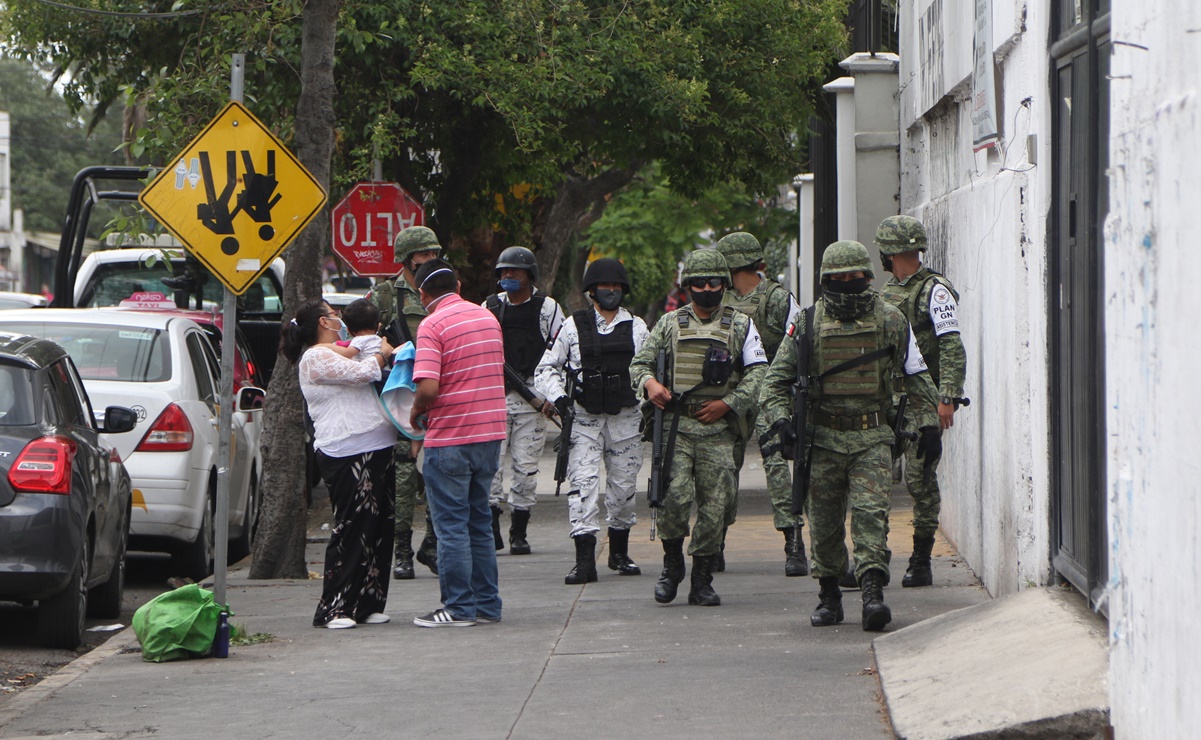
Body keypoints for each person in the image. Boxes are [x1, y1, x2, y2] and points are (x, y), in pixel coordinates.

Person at [758, 241, 941, 632]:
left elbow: (918, 377)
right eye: (838, 279)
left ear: (868, 277)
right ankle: (829, 595)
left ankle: (873, 593)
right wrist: (781, 422)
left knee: (871, 516)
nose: (847, 284)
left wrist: (929, 425)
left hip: (872, 436)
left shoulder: (891, 319)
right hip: (821, 438)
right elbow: (774, 383)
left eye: (855, 278)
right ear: (826, 281)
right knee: (823, 525)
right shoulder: (806, 323)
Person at [629, 248, 768, 607]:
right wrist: (650, 384)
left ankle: (702, 578)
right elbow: (640, 362)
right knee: (673, 499)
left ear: (724, 284)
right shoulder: (669, 323)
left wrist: (729, 404)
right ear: (688, 286)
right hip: (677, 426)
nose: (707, 288)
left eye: (714, 282)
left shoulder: (740, 325)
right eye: (699, 283)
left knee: (716, 505)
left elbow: (758, 373)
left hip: (719, 430)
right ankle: (672, 564)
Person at [281, 300, 397, 629]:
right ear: (324, 321)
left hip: (379, 444)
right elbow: (363, 373)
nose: (341, 319)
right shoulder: (314, 357)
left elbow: (359, 353)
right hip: (345, 450)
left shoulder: (344, 348)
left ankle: (368, 602)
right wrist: (380, 353)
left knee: (379, 527)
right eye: (335, 315)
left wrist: (374, 347)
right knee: (351, 527)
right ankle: (334, 607)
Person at [534, 258, 650, 584]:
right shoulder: (572, 326)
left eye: (616, 287)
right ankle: (584, 561)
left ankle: (619, 553)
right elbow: (545, 369)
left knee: (624, 489)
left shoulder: (639, 328)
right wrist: (559, 399)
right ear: (591, 290)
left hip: (626, 420)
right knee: (583, 486)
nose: (610, 291)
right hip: (583, 419)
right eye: (604, 286)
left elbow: (652, 370)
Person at [409, 258, 508, 627]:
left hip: (451, 436)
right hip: (490, 434)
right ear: (459, 285)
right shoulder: (488, 318)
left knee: (450, 525)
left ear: (423, 293)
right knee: (479, 523)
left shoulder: (432, 325)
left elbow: (429, 386)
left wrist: (416, 409)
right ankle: (487, 605)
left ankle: (458, 608)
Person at [875, 215, 968, 588]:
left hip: (921, 400)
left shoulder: (935, 290)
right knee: (875, 479)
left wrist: (946, 397)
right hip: (888, 400)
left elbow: (951, 345)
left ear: (892, 251)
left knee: (919, 479)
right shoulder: (886, 292)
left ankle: (920, 559)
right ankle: (875, 559)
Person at [714, 231, 806, 577]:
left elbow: (799, 344)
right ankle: (714, 541)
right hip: (731, 393)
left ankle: (793, 542)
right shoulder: (719, 300)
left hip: (769, 393)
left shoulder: (779, 300)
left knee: (779, 466)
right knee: (721, 466)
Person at [368, 225, 441, 581]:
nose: (429, 260)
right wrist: (385, 348)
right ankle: (401, 550)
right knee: (402, 473)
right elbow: (365, 338)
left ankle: (432, 544)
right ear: (407, 258)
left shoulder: (439, 289)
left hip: (437, 389)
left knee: (437, 471)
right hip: (400, 391)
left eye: (433, 254)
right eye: (423, 254)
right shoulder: (384, 294)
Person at [483, 246, 563, 555]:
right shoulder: (489, 306)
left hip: (534, 401)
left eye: (514, 272)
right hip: (494, 400)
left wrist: (552, 396)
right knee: (490, 469)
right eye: (503, 272)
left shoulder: (547, 308)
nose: (508, 276)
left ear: (530, 276)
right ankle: (491, 530)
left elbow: (560, 352)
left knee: (526, 469)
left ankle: (519, 531)